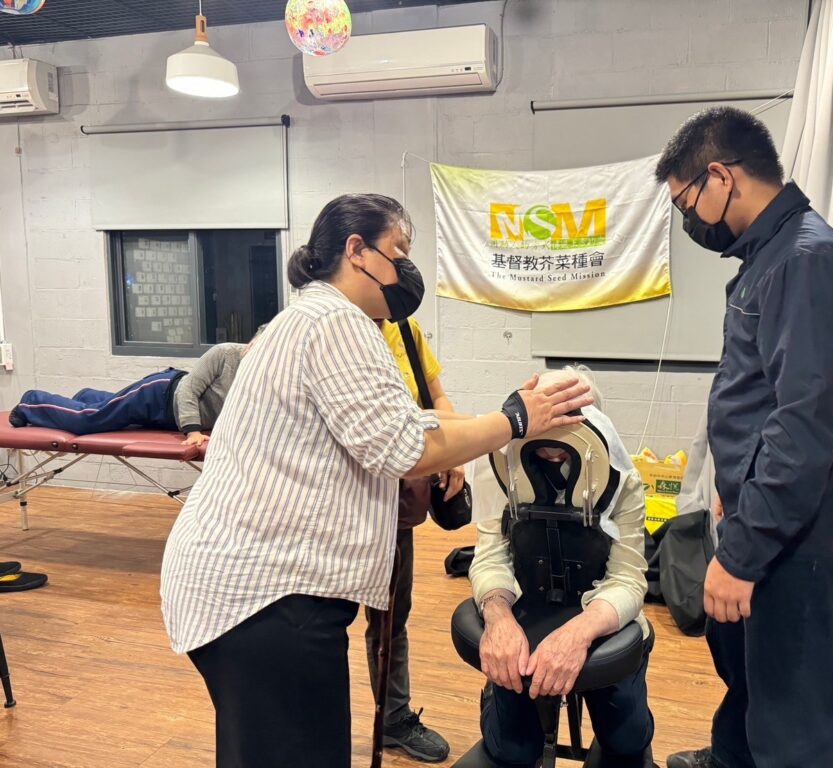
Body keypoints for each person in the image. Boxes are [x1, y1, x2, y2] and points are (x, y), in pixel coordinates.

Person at [159, 193, 593, 768]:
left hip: (253, 590)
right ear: (356, 250)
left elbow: (409, 421)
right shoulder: (337, 322)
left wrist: (512, 414)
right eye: (400, 250)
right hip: (268, 597)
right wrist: (515, 420)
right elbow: (406, 447)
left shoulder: (312, 317)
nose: (407, 267)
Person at [654, 108, 833, 768]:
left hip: (805, 545)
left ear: (721, 177)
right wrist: (734, 493)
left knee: (795, 733)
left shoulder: (806, 262)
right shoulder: (774, 255)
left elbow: (802, 429)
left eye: (686, 202)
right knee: (752, 688)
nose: (689, 219)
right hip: (776, 524)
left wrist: (743, 555)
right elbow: (764, 396)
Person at [470, 367, 654, 768]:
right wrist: (497, 616)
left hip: (600, 615)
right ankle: (499, 703)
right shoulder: (502, 471)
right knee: (510, 749)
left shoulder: (624, 481)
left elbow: (628, 578)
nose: (554, 450)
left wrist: (578, 634)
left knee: (626, 741)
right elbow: (489, 555)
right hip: (527, 610)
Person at [368, 315, 462, 762]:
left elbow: (435, 396)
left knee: (390, 618)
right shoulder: (331, 328)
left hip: (397, 502)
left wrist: (452, 450)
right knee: (319, 621)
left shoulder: (405, 327)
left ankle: (393, 718)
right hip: (337, 506)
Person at [8, 328, 265, 446]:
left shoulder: (265, 375)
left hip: (169, 420)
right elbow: (188, 390)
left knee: (109, 409)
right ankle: (31, 402)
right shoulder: (225, 353)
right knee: (88, 421)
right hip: (158, 396)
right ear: (253, 342)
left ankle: (88, 396)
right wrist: (193, 432)